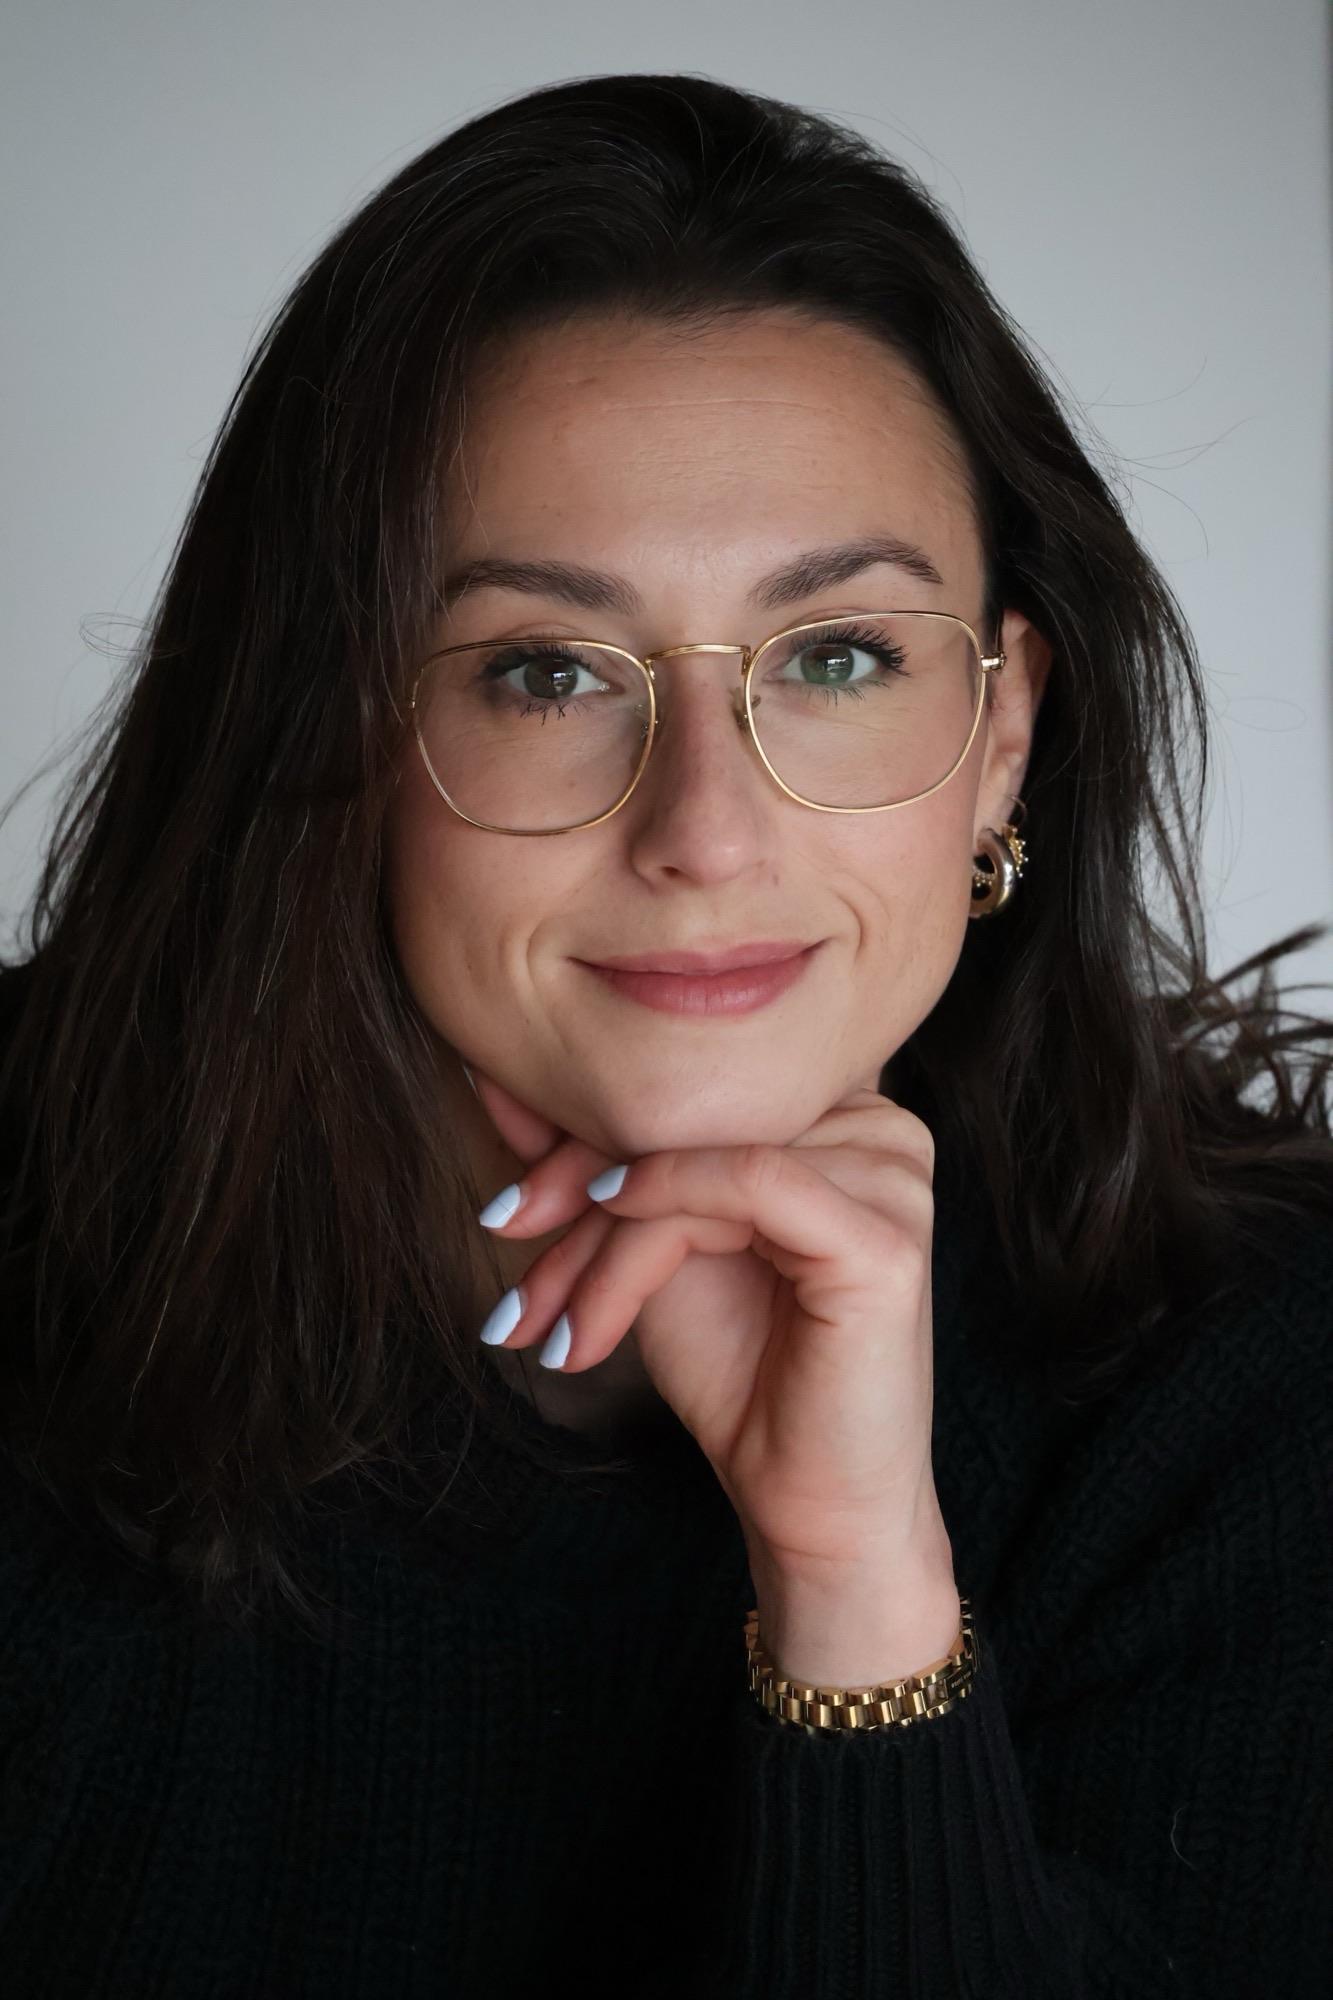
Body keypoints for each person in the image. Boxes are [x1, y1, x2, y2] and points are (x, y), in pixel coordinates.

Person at [0, 70, 1330, 2000]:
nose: (702, 831)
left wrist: (855, 1586)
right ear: (331, 730)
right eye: (544, 672)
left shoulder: (1254, 1385)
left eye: (838, 656)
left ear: (1002, 737)